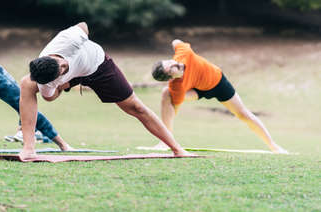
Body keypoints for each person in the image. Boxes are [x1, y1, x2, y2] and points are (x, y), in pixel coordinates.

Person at [18, 22, 195, 160]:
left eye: (61, 63)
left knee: (136, 107)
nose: (65, 65)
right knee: (26, 84)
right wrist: (65, 84)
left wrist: (84, 39)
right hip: (73, 79)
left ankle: (177, 149)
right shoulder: (47, 81)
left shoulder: (68, 40)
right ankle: (28, 147)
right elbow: (50, 97)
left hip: (98, 64)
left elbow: (83, 25)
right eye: (62, 70)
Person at [151, 39, 288, 154]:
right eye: (171, 68)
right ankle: (165, 140)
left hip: (217, 83)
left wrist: (175, 42)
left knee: (243, 114)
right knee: (166, 94)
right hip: (197, 90)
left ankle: (273, 146)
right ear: (170, 77)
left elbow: (176, 42)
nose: (175, 63)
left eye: (170, 61)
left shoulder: (183, 53)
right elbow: (175, 107)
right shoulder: (176, 86)